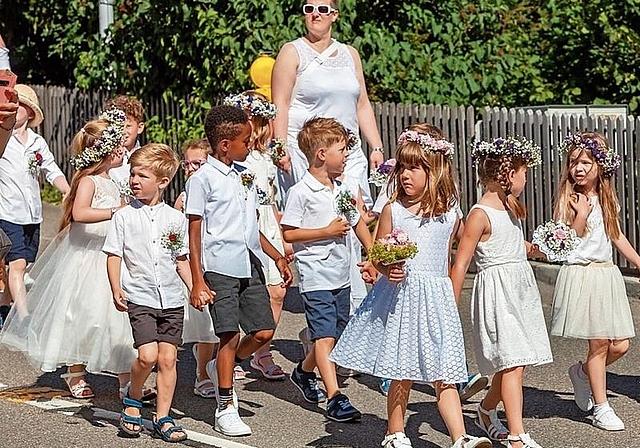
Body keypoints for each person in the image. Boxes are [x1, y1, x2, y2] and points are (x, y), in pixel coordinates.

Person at [329, 125, 491, 448]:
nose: (405, 174)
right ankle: (395, 432)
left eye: (415, 167)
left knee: (444, 372)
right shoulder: (395, 211)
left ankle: (460, 437)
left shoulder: (448, 214)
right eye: (402, 166)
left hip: (436, 299)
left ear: (436, 170)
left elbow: (450, 255)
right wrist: (388, 268)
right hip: (403, 299)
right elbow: (376, 253)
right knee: (401, 370)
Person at [0, 109, 137, 398]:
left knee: (119, 320)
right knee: (80, 316)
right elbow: (79, 213)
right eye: (118, 147)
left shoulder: (114, 181)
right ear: (105, 153)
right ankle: (75, 372)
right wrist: (115, 211)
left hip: (111, 256)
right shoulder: (88, 181)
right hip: (85, 257)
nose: (123, 151)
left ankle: (127, 380)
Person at [185, 105, 292, 437]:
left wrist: (276, 256)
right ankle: (225, 406)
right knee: (228, 335)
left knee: (263, 331)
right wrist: (198, 279)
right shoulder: (202, 180)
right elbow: (194, 229)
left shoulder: (244, 174)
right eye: (245, 140)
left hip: (250, 262)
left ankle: (221, 366)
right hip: (219, 267)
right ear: (224, 145)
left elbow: (251, 225)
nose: (250, 145)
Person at [450, 136, 553, 448]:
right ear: (508, 176)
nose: (525, 179)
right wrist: (450, 306)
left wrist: (539, 250)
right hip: (497, 294)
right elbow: (461, 262)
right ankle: (517, 436)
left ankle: (485, 409)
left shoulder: (508, 208)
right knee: (511, 364)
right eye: (523, 173)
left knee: (514, 362)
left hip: (518, 289)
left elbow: (508, 243)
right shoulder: (479, 214)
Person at [281, 117, 372, 422]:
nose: (347, 155)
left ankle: (304, 372)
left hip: (341, 273)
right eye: (342, 149)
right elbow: (289, 233)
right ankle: (335, 397)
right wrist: (325, 231)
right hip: (315, 274)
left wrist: (373, 255)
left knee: (337, 334)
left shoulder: (344, 186)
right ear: (322, 154)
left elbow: (357, 222)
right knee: (324, 337)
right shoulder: (301, 191)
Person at [550, 132, 638, 431]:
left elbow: (615, 235)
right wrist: (580, 216)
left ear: (601, 165)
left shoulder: (606, 197)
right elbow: (563, 243)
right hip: (582, 275)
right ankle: (602, 407)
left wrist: (639, 262)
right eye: (574, 162)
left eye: (586, 162)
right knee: (599, 343)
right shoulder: (568, 199)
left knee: (621, 345)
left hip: (606, 274)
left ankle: (582, 371)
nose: (579, 168)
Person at [103, 143, 190, 442]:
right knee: (147, 356)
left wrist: (195, 288)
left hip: (172, 299)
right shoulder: (124, 217)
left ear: (163, 181)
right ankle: (133, 397)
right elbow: (113, 255)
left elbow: (181, 260)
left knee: (167, 360)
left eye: (142, 176)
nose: (134, 180)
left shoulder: (176, 219)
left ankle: (163, 417)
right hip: (139, 296)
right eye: (133, 174)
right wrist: (116, 288)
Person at [271, 0, 384, 207]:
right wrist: (280, 147)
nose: (315, 14)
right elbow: (280, 103)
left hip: (348, 151)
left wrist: (376, 147)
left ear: (334, 15)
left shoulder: (350, 54)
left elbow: (362, 104)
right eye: (309, 9)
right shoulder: (291, 52)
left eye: (322, 9)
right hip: (307, 152)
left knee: (356, 215)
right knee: (315, 213)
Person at [224, 91, 289, 380]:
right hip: (245, 224)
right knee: (245, 289)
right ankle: (234, 351)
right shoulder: (236, 159)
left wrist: (281, 236)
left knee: (278, 290)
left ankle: (261, 350)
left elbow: (271, 199)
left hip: (267, 224)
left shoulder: (265, 158)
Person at [0, 84, 70, 328]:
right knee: (17, 264)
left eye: (19, 105)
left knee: (22, 264)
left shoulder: (37, 142)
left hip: (33, 214)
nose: (14, 110)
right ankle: (23, 319)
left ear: (30, 113)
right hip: (7, 211)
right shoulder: (1, 140)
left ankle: (4, 304)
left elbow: (51, 169)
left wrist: (67, 190)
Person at [174, 138, 221, 398]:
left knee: (210, 323)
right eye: (188, 164)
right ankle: (197, 370)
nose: (192, 169)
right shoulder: (183, 198)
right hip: (186, 264)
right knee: (196, 322)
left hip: (210, 259)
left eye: (198, 163)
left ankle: (205, 368)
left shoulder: (214, 193)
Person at [107, 95, 145, 187]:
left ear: (140, 128)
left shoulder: (146, 156)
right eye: (119, 126)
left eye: (128, 126)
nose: (123, 132)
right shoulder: (109, 157)